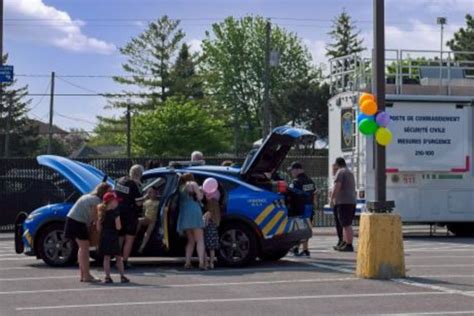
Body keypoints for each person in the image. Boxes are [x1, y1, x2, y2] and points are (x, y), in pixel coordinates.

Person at [64, 182, 111, 283]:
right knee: (85, 248)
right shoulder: (96, 201)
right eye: (110, 191)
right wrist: (100, 232)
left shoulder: (89, 196)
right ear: (104, 192)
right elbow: (95, 218)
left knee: (82, 248)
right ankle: (86, 275)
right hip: (78, 222)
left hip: (72, 220)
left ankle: (83, 274)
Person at [115, 164, 144, 268]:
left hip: (118, 212)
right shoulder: (134, 185)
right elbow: (138, 203)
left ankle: (117, 261)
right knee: (129, 238)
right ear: (140, 174)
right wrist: (145, 196)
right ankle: (124, 261)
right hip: (130, 214)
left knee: (120, 237)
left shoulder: (120, 180)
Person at [96, 192, 130, 284]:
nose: (117, 203)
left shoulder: (101, 213)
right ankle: (122, 276)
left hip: (104, 236)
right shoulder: (115, 214)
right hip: (113, 236)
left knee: (106, 258)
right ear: (111, 202)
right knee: (118, 257)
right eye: (116, 201)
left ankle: (107, 277)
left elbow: (98, 228)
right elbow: (118, 227)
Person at [176, 173, 206, 270]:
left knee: (190, 241)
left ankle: (187, 262)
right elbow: (200, 197)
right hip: (194, 211)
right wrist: (201, 191)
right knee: (199, 239)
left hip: (184, 213)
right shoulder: (193, 184)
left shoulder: (181, 187)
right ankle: (201, 263)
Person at [287, 162, 316, 257]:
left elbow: (291, 194)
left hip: (299, 208)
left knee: (297, 229)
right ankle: (305, 250)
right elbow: (314, 193)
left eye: (292, 170)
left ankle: (296, 248)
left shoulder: (296, 182)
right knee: (306, 229)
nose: (291, 172)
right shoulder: (310, 181)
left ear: (297, 170)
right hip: (309, 208)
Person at [330, 157, 357, 252]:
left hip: (343, 202)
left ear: (337, 164)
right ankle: (345, 243)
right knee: (345, 223)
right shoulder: (349, 172)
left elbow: (337, 186)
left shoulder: (340, 172)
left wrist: (332, 198)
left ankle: (349, 244)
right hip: (351, 201)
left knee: (346, 224)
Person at [203, 181, 221, 269]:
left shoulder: (208, 213)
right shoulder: (217, 214)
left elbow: (204, 223)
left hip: (207, 233)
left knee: (205, 248)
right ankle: (212, 263)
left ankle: (206, 262)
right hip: (214, 233)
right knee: (212, 249)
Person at [136, 186, 160, 253]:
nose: (149, 194)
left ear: (155, 193)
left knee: (147, 233)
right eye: (148, 192)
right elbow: (143, 211)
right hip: (147, 218)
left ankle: (142, 247)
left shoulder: (158, 202)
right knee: (139, 221)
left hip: (153, 220)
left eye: (151, 192)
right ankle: (135, 235)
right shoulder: (146, 202)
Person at [330, 163, 344, 251]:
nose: (333, 171)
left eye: (335, 169)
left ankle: (342, 240)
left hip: (340, 203)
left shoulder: (340, 178)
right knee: (337, 223)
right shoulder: (334, 179)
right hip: (336, 203)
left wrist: (332, 199)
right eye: (333, 169)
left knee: (341, 223)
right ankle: (340, 240)